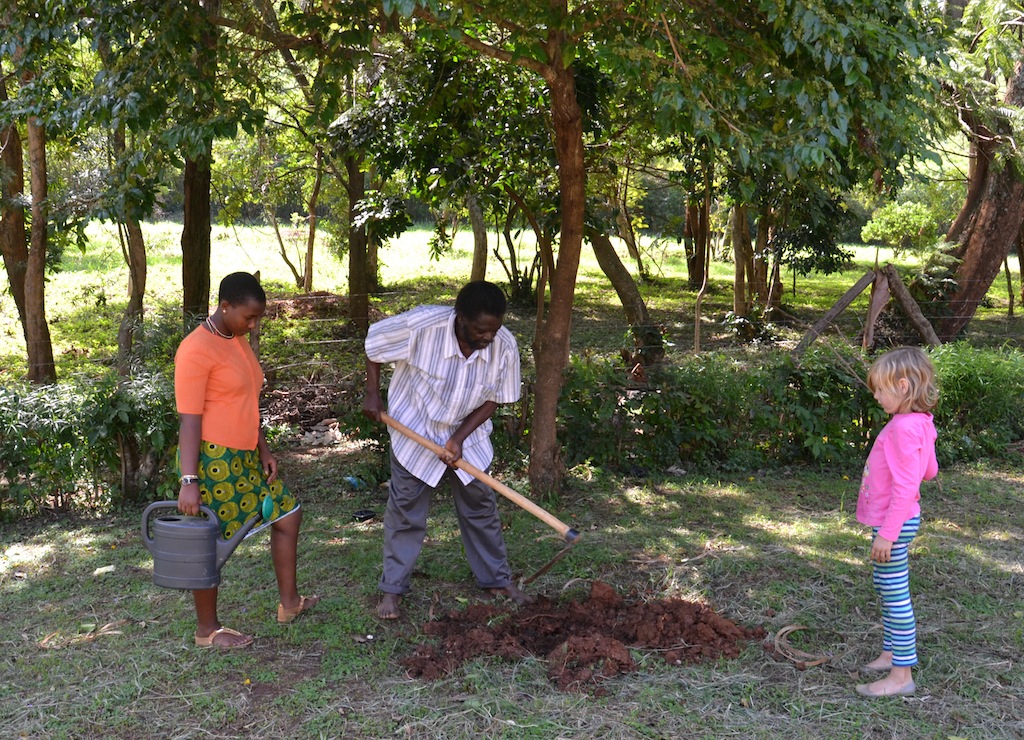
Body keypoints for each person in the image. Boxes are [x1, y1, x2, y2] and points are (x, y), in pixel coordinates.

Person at [362, 280, 529, 619]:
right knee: (406, 512)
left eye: (493, 331)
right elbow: (374, 342)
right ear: (460, 318)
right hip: (416, 430)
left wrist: (459, 438)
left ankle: (497, 580)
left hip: (470, 439)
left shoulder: (505, 346)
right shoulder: (422, 326)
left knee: (481, 507)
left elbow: (497, 397)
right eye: (480, 330)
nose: (487, 338)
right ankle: (392, 590)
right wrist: (373, 393)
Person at [174, 272, 318, 648]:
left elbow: (245, 402)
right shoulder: (195, 349)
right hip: (213, 459)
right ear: (225, 306)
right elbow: (189, 419)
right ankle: (208, 631)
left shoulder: (235, 340)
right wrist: (189, 481)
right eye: (248, 317)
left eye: (258, 318)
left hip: (245, 456)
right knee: (209, 541)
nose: (253, 326)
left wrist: (264, 449)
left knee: (287, 513)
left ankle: (290, 603)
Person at [854, 346, 938, 697]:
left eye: (880, 389)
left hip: (895, 524)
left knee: (895, 595)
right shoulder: (920, 423)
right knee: (887, 590)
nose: (875, 395)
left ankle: (901, 676)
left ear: (903, 386)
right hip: (900, 521)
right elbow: (929, 471)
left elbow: (907, 486)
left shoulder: (903, 428)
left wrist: (886, 536)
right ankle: (891, 653)